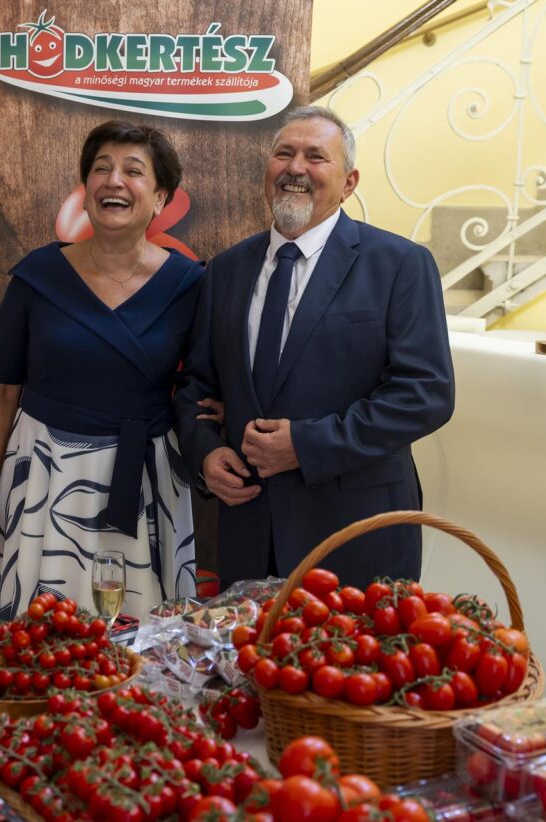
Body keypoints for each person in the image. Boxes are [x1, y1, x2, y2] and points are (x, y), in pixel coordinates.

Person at [174, 105, 454, 589]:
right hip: (249, 530)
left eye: (316, 157)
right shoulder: (226, 269)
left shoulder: (400, 265)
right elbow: (196, 385)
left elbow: (425, 395)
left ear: (349, 183)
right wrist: (205, 453)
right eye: (284, 154)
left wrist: (306, 446)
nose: (295, 168)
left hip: (355, 533)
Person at [0, 120, 220, 622]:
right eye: (101, 169)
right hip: (43, 473)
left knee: (140, 635)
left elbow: (203, 386)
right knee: (38, 635)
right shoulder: (38, 277)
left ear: (160, 198)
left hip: (145, 478)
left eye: (134, 171)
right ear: (84, 192)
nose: (114, 180)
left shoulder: (191, 284)